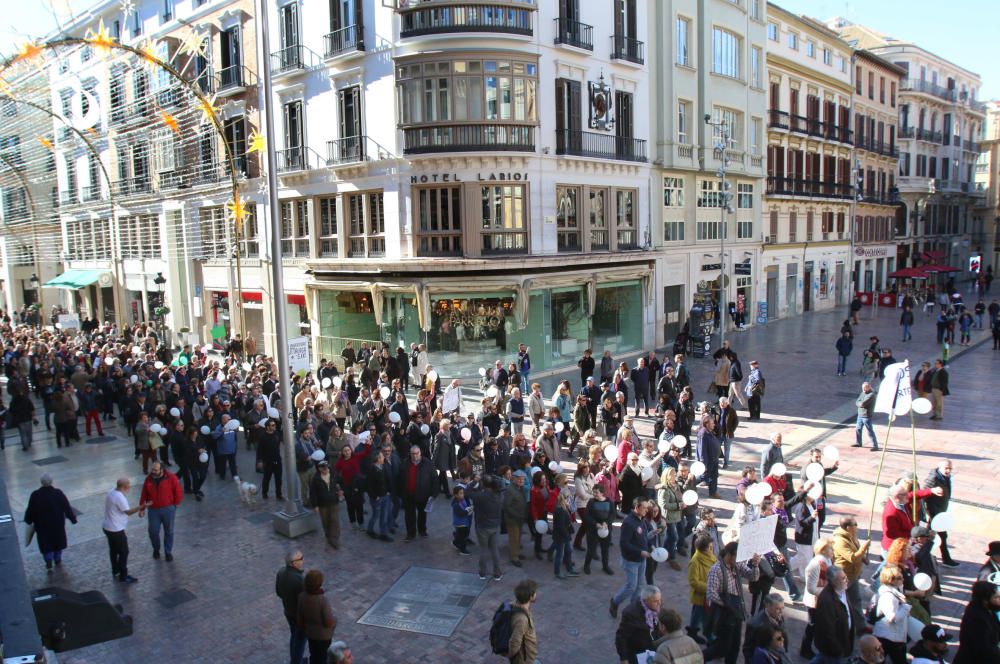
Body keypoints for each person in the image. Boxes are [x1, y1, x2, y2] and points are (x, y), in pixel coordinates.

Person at [703, 542, 760, 664]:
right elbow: (711, 594)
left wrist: (755, 565)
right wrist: (728, 604)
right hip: (724, 613)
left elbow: (753, 577)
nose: (738, 560)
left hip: (736, 612)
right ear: (729, 555)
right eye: (736, 557)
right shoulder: (716, 570)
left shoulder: (737, 565)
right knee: (722, 647)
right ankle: (698, 659)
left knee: (735, 645)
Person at [23, 473, 77, 570]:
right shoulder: (58, 493)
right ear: (51, 482)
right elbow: (67, 507)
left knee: (45, 543)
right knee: (58, 541)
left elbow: (30, 509)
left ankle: (48, 560)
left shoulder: (35, 495)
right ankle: (57, 558)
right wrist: (72, 519)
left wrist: (28, 519)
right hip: (57, 524)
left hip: (42, 525)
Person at [610, 498, 652, 619]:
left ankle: (632, 610)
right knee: (631, 586)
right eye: (644, 508)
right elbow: (624, 544)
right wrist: (640, 552)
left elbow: (643, 537)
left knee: (640, 586)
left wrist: (652, 535)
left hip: (641, 559)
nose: (646, 510)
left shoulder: (642, 520)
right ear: (637, 507)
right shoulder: (628, 522)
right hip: (631, 561)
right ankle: (615, 601)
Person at [102, 477, 145, 583]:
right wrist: (141, 507)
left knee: (113, 550)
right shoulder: (119, 497)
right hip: (116, 529)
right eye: (129, 485)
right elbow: (128, 512)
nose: (130, 487)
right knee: (123, 551)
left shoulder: (112, 491)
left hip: (107, 527)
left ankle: (115, 570)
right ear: (125, 487)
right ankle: (123, 575)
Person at [832, 515, 871, 632]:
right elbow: (852, 557)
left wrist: (864, 558)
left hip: (853, 575)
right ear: (848, 527)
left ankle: (861, 627)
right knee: (839, 604)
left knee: (856, 601)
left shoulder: (851, 536)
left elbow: (856, 549)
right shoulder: (840, 541)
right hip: (844, 577)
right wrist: (864, 548)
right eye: (855, 524)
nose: (857, 526)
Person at [140, 461, 183, 562]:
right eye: (152, 469)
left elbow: (178, 491)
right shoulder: (149, 479)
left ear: (162, 470)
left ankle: (168, 552)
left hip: (168, 509)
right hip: (153, 510)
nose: (153, 471)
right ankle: (156, 549)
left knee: (169, 531)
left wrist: (175, 504)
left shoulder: (171, 478)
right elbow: (144, 494)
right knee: (153, 532)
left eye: (156, 470)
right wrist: (142, 509)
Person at [812, 565, 854, 664]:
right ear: (833, 582)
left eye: (845, 576)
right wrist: (838, 650)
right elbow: (827, 630)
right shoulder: (827, 601)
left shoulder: (842, 590)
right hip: (832, 651)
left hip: (840, 645)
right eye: (843, 578)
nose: (847, 580)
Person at [953, 580, 1000, 664]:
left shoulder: (989, 610)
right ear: (985, 600)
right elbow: (984, 649)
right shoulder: (977, 619)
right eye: (996, 597)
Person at [467, 474, 504, 581]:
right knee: (494, 549)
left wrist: (474, 481)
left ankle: (482, 573)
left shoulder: (480, 496)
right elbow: (501, 486)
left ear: (482, 484)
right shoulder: (499, 496)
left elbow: (467, 492)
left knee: (484, 549)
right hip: (495, 525)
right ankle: (497, 573)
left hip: (482, 526)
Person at [872, 565, 911, 664]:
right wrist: (905, 607)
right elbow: (892, 617)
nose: (903, 579)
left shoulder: (896, 590)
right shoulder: (888, 596)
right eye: (899, 578)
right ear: (891, 580)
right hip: (888, 637)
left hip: (893, 635)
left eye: (901, 576)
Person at [297, 569, 337, 664]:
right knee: (323, 657)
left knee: (314, 654)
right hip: (323, 636)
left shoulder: (302, 596)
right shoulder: (322, 600)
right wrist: (335, 621)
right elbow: (328, 622)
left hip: (311, 634)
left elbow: (300, 619)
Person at [397, 445, 437, 541]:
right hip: (408, 494)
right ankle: (411, 534)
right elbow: (399, 478)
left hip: (423, 494)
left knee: (422, 514)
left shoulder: (427, 463)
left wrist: (434, 493)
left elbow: (434, 478)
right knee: (409, 515)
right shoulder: (405, 463)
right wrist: (400, 493)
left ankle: (422, 530)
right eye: (413, 454)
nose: (415, 456)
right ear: (410, 454)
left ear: (420, 453)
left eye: (417, 453)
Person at [922, 460, 957, 566]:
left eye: (950, 468)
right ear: (939, 467)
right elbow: (924, 492)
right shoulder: (934, 478)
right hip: (935, 511)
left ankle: (925, 554)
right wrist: (927, 510)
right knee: (941, 534)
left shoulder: (945, 477)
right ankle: (945, 558)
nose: (948, 470)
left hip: (940, 510)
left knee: (929, 535)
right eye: (946, 468)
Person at [615, 585, 662, 664]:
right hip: (637, 653)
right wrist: (624, 658)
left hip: (653, 649)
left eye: (660, 599)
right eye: (655, 601)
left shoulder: (657, 607)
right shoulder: (631, 614)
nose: (659, 603)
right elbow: (621, 637)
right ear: (646, 600)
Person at [275, 550, 307, 664]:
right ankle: (296, 661)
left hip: (288, 612)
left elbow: (278, 592)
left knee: (294, 636)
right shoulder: (300, 580)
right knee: (300, 641)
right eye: (301, 558)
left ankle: (296, 659)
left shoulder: (281, 572)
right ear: (293, 563)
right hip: (298, 616)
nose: (303, 560)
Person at [743, 593, 788, 664]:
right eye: (777, 609)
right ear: (767, 606)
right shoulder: (755, 625)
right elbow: (748, 650)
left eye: (782, 608)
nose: (781, 612)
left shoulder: (779, 617)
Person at [687, 534, 716, 645]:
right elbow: (694, 581)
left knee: (697, 616)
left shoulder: (711, 557)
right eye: (710, 547)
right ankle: (710, 639)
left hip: (709, 596)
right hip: (701, 596)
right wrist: (710, 587)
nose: (712, 549)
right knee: (704, 618)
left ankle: (693, 633)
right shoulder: (695, 562)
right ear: (703, 549)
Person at [310, 460, 344, 550]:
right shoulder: (316, 479)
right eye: (323, 468)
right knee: (325, 520)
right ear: (319, 469)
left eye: (326, 468)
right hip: (322, 504)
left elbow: (342, 481)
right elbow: (313, 493)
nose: (325, 470)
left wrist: (341, 490)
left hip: (333, 501)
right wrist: (315, 505)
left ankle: (334, 538)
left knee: (334, 520)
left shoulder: (333, 475)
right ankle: (328, 535)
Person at [508, 579, 538, 664]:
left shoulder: (514, 605)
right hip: (524, 659)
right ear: (530, 597)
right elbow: (514, 642)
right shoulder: (522, 620)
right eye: (535, 593)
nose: (536, 594)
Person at [696, 414, 722, 498]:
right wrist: (704, 464)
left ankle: (713, 492)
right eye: (712, 423)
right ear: (707, 424)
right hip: (708, 461)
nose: (714, 424)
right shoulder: (703, 434)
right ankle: (688, 485)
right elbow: (702, 450)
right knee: (702, 476)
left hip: (714, 459)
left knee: (714, 476)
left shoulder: (709, 431)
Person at [853, 382, 879, 450]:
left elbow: (863, 404)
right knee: (858, 429)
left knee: (869, 431)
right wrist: (859, 403)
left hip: (866, 416)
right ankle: (858, 443)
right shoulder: (863, 393)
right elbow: (857, 401)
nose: (863, 390)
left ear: (869, 387)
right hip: (860, 415)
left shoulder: (871, 395)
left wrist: (859, 404)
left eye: (865, 388)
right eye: (863, 388)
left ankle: (875, 445)